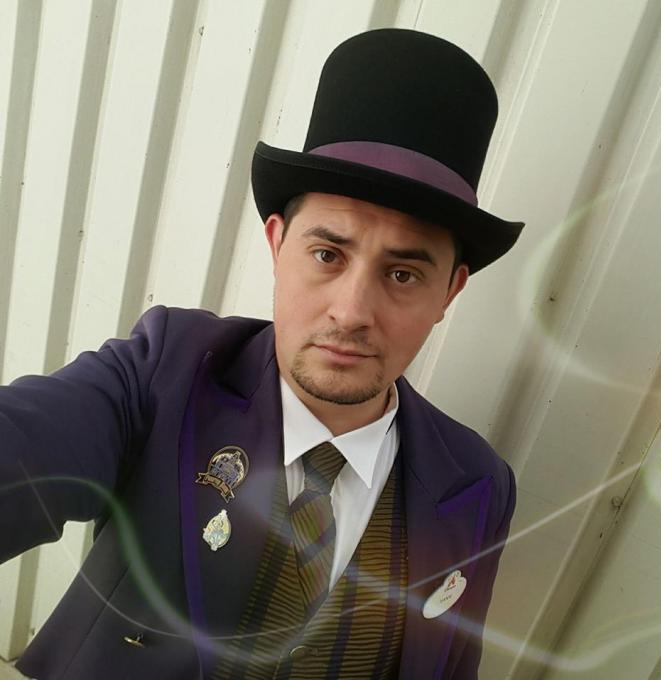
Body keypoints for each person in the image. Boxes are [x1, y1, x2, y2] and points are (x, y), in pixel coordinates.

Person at [0, 28, 523, 680]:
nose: (352, 311)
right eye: (327, 254)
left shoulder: (479, 484)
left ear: (449, 291)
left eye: (403, 274)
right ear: (278, 245)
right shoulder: (164, 373)